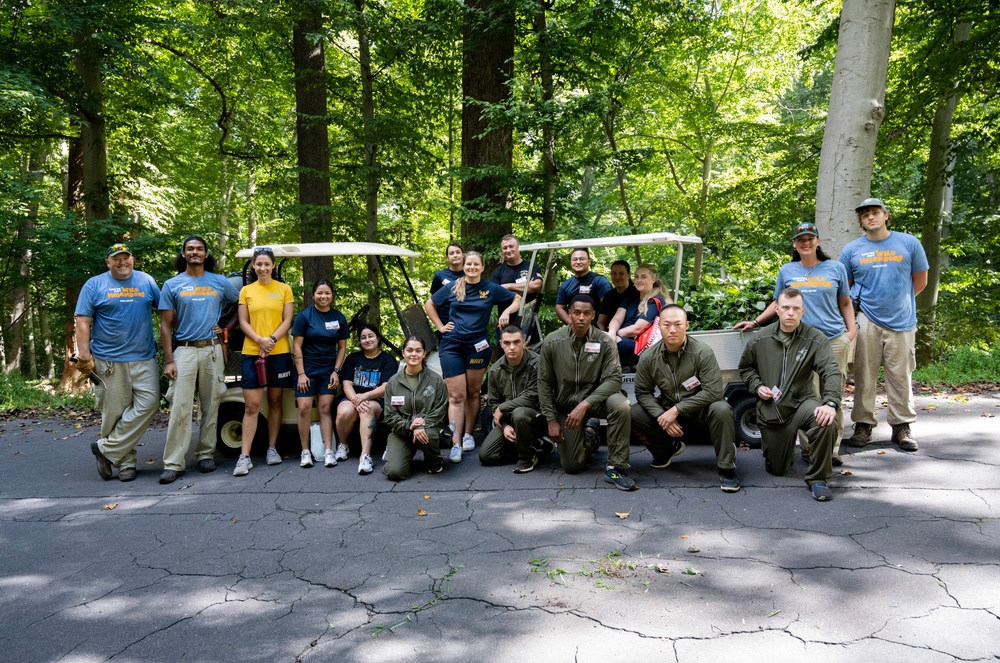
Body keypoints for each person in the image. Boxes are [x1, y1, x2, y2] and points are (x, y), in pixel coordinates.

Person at [734, 222, 855, 465]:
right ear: (794, 244)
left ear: (818, 241)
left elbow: (844, 302)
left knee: (831, 392)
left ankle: (831, 448)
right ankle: (810, 449)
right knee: (803, 395)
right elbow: (778, 302)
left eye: (810, 238)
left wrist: (851, 332)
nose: (806, 242)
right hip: (800, 342)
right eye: (801, 239)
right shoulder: (787, 270)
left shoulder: (836, 268)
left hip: (832, 339)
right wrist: (756, 323)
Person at [841, 198, 929, 452]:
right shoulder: (851, 250)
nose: (871, 217)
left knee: (900, 374)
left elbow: (920, 280)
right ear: (860, 220)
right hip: (866, 318)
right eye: (865, 214)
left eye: (875, 212)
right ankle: (863, 425)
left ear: (886, 215)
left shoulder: (909, 243)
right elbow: (846, 289)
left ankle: (901, 426)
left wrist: (900, 302)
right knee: (864, 373)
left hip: (902, 320)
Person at [738, 288, 843, 501]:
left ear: (803, 311)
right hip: (773, 410)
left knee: (825, 420)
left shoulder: (815, 339)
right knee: (777, 469)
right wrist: (757, 386)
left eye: (796, 308)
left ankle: (818, 478)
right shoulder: (760, 338)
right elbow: (746, 368)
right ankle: (782, 450)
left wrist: (830, 403)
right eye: (785, 307)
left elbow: (831, 371)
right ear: (777, 309)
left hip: (802, 403)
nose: (790, 313)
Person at [631, 305, 740, 492]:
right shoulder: (649, 357)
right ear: (659, 327)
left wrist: (676, 410)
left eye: (678, 324)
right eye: (666, 325)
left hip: (700, 410)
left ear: (687, 325)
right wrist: (662, 415)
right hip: (667, 407)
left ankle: (726, 466)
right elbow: (642, 392)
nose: (672, 330)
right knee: (635, 412)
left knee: (721, 408)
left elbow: (713, 391)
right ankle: (666, 451)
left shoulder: (702, 352)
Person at [425, 250, 521, 463]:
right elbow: (429, 304)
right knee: (456, 396)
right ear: (464, 266)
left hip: (478, 347)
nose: (471, 268)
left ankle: (469, 433)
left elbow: (517, 298)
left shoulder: (490, 288)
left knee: (473, 392)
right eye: (468, 264)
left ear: (482, 267)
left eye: (476, 264)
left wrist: (506, 312)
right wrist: (440, 327)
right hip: (452, 346)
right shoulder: (453, 286)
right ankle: (456, 442)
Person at [158, 236, 240, 484]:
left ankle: (206, 454)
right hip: (184, 349)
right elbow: (165, 324)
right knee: (180, 407)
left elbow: (241, 303)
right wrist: (169, 360)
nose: (195, 252)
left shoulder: (218, 282)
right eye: (190, 249)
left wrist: (227, 328)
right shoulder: (172, 284)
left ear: (206, 254)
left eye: (200, 249)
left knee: (212, 404)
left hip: (212, 350)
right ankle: (173, 462)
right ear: (183, 254)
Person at [77, 243, 161, 482]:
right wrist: (84, 356)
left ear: (132, 259)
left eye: (126, 258)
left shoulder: (146, 281)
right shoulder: (94, 284)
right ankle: (126, 463)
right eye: (117, 259)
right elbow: (83, 321)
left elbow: (167, 312)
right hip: (109, 360)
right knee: (114, 413)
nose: (122, 262)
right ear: (108, 262)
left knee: (150, 403)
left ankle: (106, 450)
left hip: (144, 356)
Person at [538, 294, 636, 491]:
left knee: (621, 405)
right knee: (572, 466)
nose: (581, 317)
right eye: (576, 312)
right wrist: (551, 420)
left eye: (586, 313)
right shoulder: (552, 342)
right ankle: (591, 436)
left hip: (597, 402)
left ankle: (615, 467)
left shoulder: (605, 342)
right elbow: (544, 382)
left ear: (593, 315)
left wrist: (585, 404)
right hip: (567, 405)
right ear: (569, 314)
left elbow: (614, 380)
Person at [233, 247, 294, 476]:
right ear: (253, 266)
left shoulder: (284, 289)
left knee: (276, 401)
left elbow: (287, 320)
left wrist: (271, 340)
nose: (263, 268)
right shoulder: (247, 291)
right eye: (259, 264)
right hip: (252, 352)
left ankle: (272, 448)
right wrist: (260, 340)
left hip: (278, 352)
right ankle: (244, 456)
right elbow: (243, 321)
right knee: (252, 406)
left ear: (273, 266)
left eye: (267, 264)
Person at [291, 279, 347, 469]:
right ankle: (304, 452)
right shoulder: (305, 316)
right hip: (306, 370)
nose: (323, 297)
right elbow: (296, 346)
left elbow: (341, 348)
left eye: (327, 293)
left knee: (325, 408)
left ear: (332, 296)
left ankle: (328, 451)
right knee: (305, 407)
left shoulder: (339, 318)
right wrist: (301, 374)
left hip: (328, 371)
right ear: (313, 295)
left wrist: (336, 371)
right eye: (320, 293)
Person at [479, 325, 551, 473]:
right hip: (511, 420)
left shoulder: (537, 363)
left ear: (524, 342)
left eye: (516, 342)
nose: (512, 347)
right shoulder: (495, 370)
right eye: (507, 343)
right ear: (501, 344)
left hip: (539, 418)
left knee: (520, 413)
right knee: (487, 456)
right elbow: (494, 403)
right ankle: (533, 443)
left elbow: (533, 396)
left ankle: (527, 458)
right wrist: (505, 426)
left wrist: (503, 408)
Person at [382, 336, 449, 481]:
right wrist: (409, 426)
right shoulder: (393, 383)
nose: (414, 354)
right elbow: (390, 415)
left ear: (424, 353)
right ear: (403, 353)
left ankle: (435, 462)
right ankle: (400, 457)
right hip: (402, 431)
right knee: (395, 473)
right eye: (410, 350)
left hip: (430, 429)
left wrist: (419, 425)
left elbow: (440, 410)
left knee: (427, 435)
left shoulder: (436, 380)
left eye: (418, 351)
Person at [335, 323, 398, 475]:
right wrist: (356, 399)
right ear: (359, 341)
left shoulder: (388, 359)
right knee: (344, 411)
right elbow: (346, 383)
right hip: (353, 397)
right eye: (363, 337)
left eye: (370, 336)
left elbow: (386, 387)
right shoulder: (352, 359)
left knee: (367, 409)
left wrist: (365, 397)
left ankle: (365, 456)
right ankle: (343, 445)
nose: (367, 340)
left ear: (377, 338)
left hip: (376, 399)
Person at [606, 263, 669, 366]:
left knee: (606, 343)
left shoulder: (655, 301)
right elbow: (617, 318)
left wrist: (616, 335)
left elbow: (637, 329)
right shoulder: (631, 297)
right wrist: (611, 332)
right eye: (636, 277)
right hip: (621, 338)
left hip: (638, 345)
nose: (639, 280)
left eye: (643, 277)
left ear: (653, 279)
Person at [490, 234, 543, 345]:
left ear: (518, 247)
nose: (508, 250)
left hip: (529, 323)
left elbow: (535, 286)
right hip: (506, 322)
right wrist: (525, 287)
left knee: (532, 354)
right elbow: (495, 295)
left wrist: (507, 286)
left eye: (511, 246)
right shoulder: (498, 272)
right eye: (505, 248)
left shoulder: (531, 265)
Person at [554, 248, 612, 325]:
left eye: (582, 259)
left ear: (589, 262)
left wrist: (599, 327)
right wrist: (573, 326)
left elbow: (608, 305)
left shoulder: (599, 281)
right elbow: (559, 308)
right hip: (573, 328)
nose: (578, 262)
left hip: (596, 328)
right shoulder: (566, 284)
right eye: (575, 259)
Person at [429, 242, 466, 341]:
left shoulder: (470, 274)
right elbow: (433, 304)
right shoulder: (439, 276)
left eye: (458, 252)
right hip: (447, 326)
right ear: (447, 258)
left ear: (463, 255)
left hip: (467, 325)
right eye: (451, 253)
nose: (455, 255)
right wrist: (440, 326)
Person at [598, 260, 638, 331]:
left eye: (621, 273)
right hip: (610, 334)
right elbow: (601, 321)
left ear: (628, 275)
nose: (617, 277)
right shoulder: (608, 296)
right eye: (614, 273)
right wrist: (600, 332)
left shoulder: (638, 293)